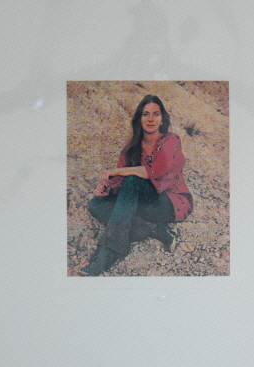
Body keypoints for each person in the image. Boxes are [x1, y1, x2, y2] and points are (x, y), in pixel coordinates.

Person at [79, 94, 194, 276]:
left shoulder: (171, 140)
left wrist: (116, 171)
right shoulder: (131, 149)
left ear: (162, 119)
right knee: (96, 205)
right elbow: (120, 183)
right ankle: (155, 229)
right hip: (141, 204)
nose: (150, 119)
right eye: (145, 114)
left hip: (168, 202)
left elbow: (156, 170)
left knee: (133, 180)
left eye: (155, 114)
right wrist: (108, 189)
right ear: (139, 118)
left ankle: (110, 250)